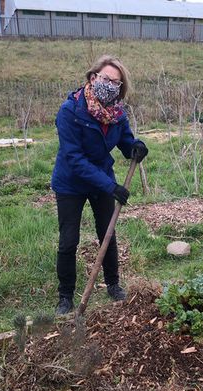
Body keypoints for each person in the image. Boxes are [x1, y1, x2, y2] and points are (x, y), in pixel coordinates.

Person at [51, 55, 148, 315]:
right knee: (68, 240)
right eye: (106, 79)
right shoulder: (70, 111)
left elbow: (126, 143)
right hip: (71, 182)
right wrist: (110, 186)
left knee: (107, 233)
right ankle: (65, 297)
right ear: (93, 78)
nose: (110, 85)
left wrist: (136, 147)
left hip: (101, 180)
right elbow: (75, 159)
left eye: (116, 82)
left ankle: (113, 285)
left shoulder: (117, 114)